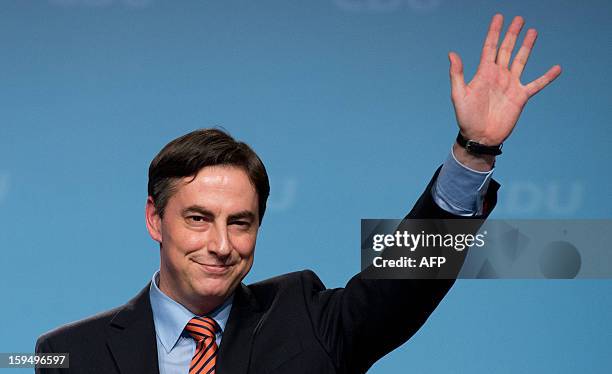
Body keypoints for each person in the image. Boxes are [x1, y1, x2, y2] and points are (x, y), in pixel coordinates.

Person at [35, 13, 561, 374]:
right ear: (155, 219)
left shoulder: (303, 319)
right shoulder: (70, 354)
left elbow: (404, 286)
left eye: (240, 222)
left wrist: (473, 151)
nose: (221, 244)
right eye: (199, 218)